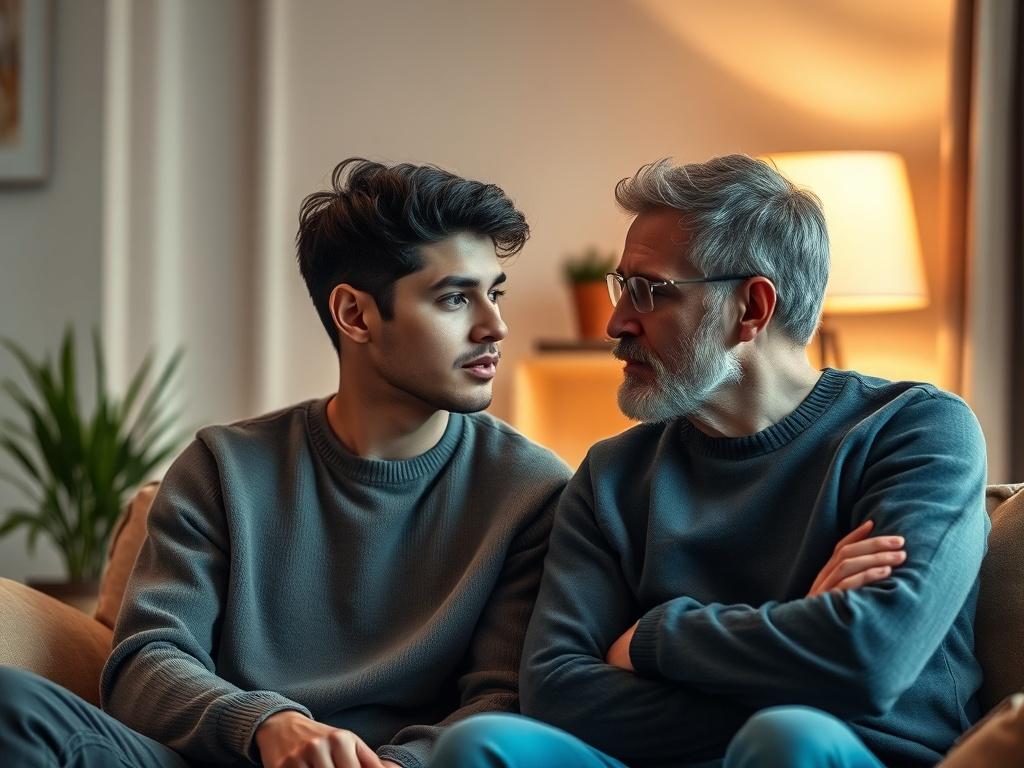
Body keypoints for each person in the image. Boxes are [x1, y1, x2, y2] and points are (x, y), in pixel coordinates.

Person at [0, 159, 571, 768]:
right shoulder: (222, 469)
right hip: (221, 757)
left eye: (495, 293)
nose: (495, 326)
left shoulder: (530, 491)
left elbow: (503, 700)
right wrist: (266, 725)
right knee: (12, 702)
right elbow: (146, 663)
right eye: (455, 298)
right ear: (355, 314)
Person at [430, 155, 988, 768]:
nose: (616, 322)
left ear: (751, 308)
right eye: (621, 286)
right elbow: (557, 691)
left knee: (786, 739)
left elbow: (870, 658)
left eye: (648, 291)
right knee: (480, 745)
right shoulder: (612, 475)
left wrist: (652, 638)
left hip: (839, 756)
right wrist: (804, 634)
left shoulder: (915, 430)